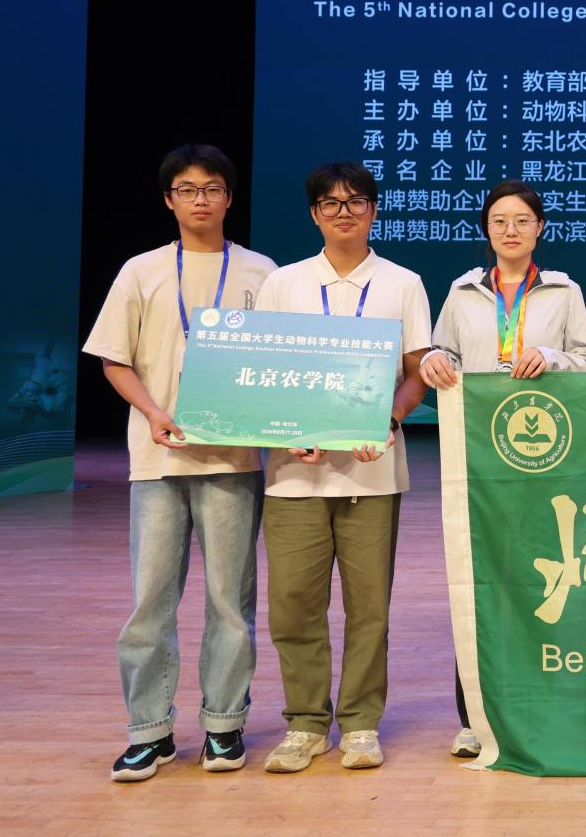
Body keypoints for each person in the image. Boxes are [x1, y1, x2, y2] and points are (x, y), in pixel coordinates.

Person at [83, 145, 277, 782]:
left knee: (230, 602)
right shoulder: (141, 271)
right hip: (158, 460)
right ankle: (150, 732)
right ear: (169, 199)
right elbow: (114, 359)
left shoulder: (261, 272)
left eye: (212, 188)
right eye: (187, 189)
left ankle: (224, 725)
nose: (201, 199)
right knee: (151, 602)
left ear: (229, 198)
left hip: (233, 459)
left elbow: (281, 363)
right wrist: (152, 412)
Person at [254, 163, 431, 774]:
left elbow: (416, 372)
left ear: (374, 210)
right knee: (293, 604)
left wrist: (388, 420)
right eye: (330, 203)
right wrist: (286, 431)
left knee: (369, 608)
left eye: (356, 201)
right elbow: (265, 373)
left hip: (372, 473)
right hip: (293, 475)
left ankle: (359, 723)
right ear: (314, 214)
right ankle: (305, 723)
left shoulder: (403, 283)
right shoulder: (284, 283)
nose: (344, 211)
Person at [419, 180, 586, 758]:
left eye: (522, 220)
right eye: (499, 220)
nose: (511, 230)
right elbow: (442, 354)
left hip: (549, 459)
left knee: (553, 579)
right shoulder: (463, 292)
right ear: (487, 229)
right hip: (480, 460)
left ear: (539, 228)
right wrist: (433, 362)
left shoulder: (564, 292)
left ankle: (553, 708)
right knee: (480, 581)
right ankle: (476, 717)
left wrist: (552, 356)